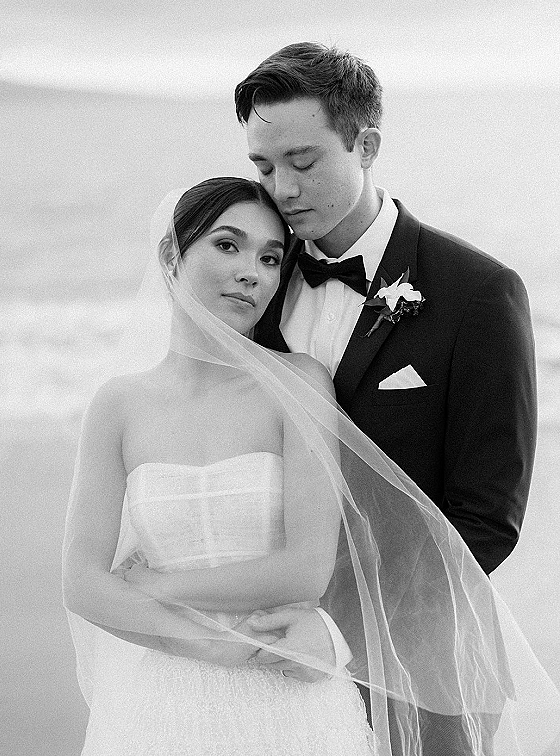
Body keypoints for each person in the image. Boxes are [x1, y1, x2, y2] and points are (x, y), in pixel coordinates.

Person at [62, 177, 557, 756]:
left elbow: (305, 569)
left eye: (271, 258)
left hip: (289, 686)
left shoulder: (298, 383)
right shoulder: (116, 405)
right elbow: (82, 584)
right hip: (164, 698)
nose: (252, 272)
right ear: (173, 254)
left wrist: (154, 588)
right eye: (227, 246)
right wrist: (218, 647)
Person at [234, 43, 538, 748]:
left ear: (365, 144)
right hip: (269, 657)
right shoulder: (253, 279)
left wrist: (338, 628)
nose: (281, 189)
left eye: (303, 163)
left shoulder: (479, 294)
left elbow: (486, 518)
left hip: (421, 665)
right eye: (263, 166)